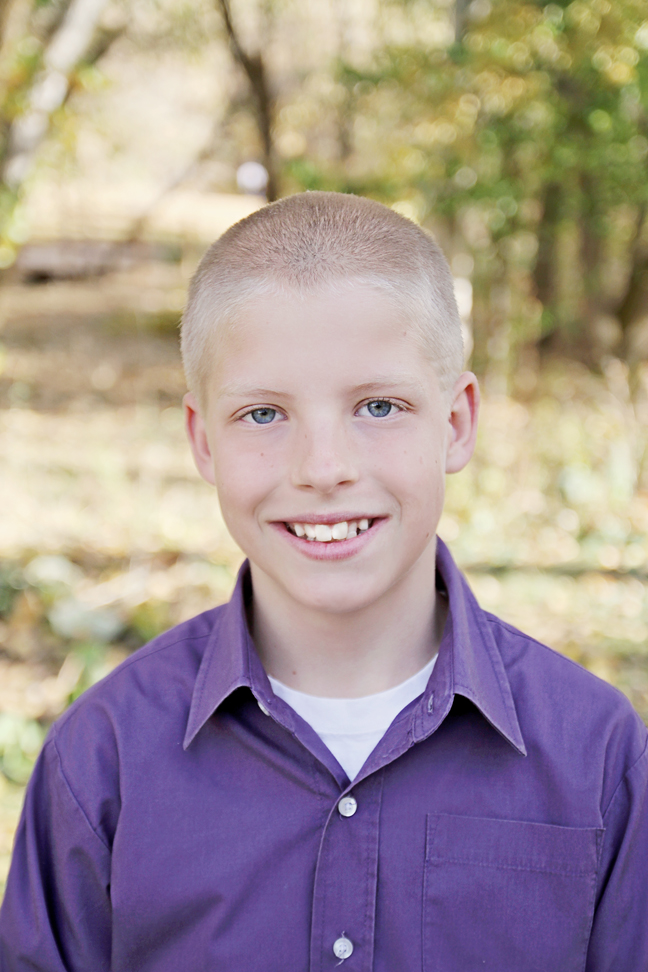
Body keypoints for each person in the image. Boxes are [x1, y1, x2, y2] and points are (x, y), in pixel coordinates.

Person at [1, 192, 646, 972]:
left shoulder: (597, 755)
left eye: (378, 406)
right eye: (264, 415)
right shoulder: (102, 759)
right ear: (202, 441)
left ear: (456, 423)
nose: (323, 469)